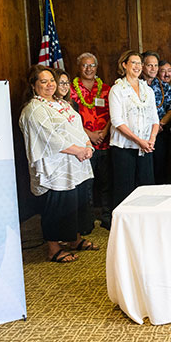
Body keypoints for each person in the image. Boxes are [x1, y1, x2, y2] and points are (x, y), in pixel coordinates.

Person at [18, 65, 98, 263]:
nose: (49, 85)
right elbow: (49, 139)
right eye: (43, 82)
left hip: (76, 163)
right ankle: (54, 249)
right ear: (33, 85)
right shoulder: (34, 109)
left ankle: (74, 240)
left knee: (76, 203)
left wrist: (87, 145)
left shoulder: (62, 103)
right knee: (58, 206)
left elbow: (78, 127)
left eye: (51, 81)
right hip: (56, 169)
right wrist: (79, 150)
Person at [109, 51, 160, 209]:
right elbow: (117, 121)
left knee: (146, 189)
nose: (138, 66)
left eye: (140, 63)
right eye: (134, 63)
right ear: (124, 65)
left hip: (146, 147)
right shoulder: (116, 90)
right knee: (125, 190)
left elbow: (155, 119)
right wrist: (139, 141)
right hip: (124, 148)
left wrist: (151, 139)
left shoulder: (148, 90)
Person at [70, 52, 112, 227]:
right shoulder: (70, 90)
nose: (88, 69)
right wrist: (90, 134)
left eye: (92, 65)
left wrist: (104, 131)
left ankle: (107, 217)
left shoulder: (107, 89)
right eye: (84, 65)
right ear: (79, 68)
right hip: (83, 146)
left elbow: (114, 113)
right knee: (86, 185)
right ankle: (86, 222)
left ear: (97, 67)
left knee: (107, 183)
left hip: (106, 142)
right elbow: (70, 117)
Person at [142, 51, 171, 184]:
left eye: (155, 66)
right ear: (142, 66)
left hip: (160, 132)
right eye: (150, 65)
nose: (153, 69)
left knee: (160, 167)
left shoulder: (163, 86)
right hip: (140, 133)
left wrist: (160, 124)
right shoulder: (136, 84)